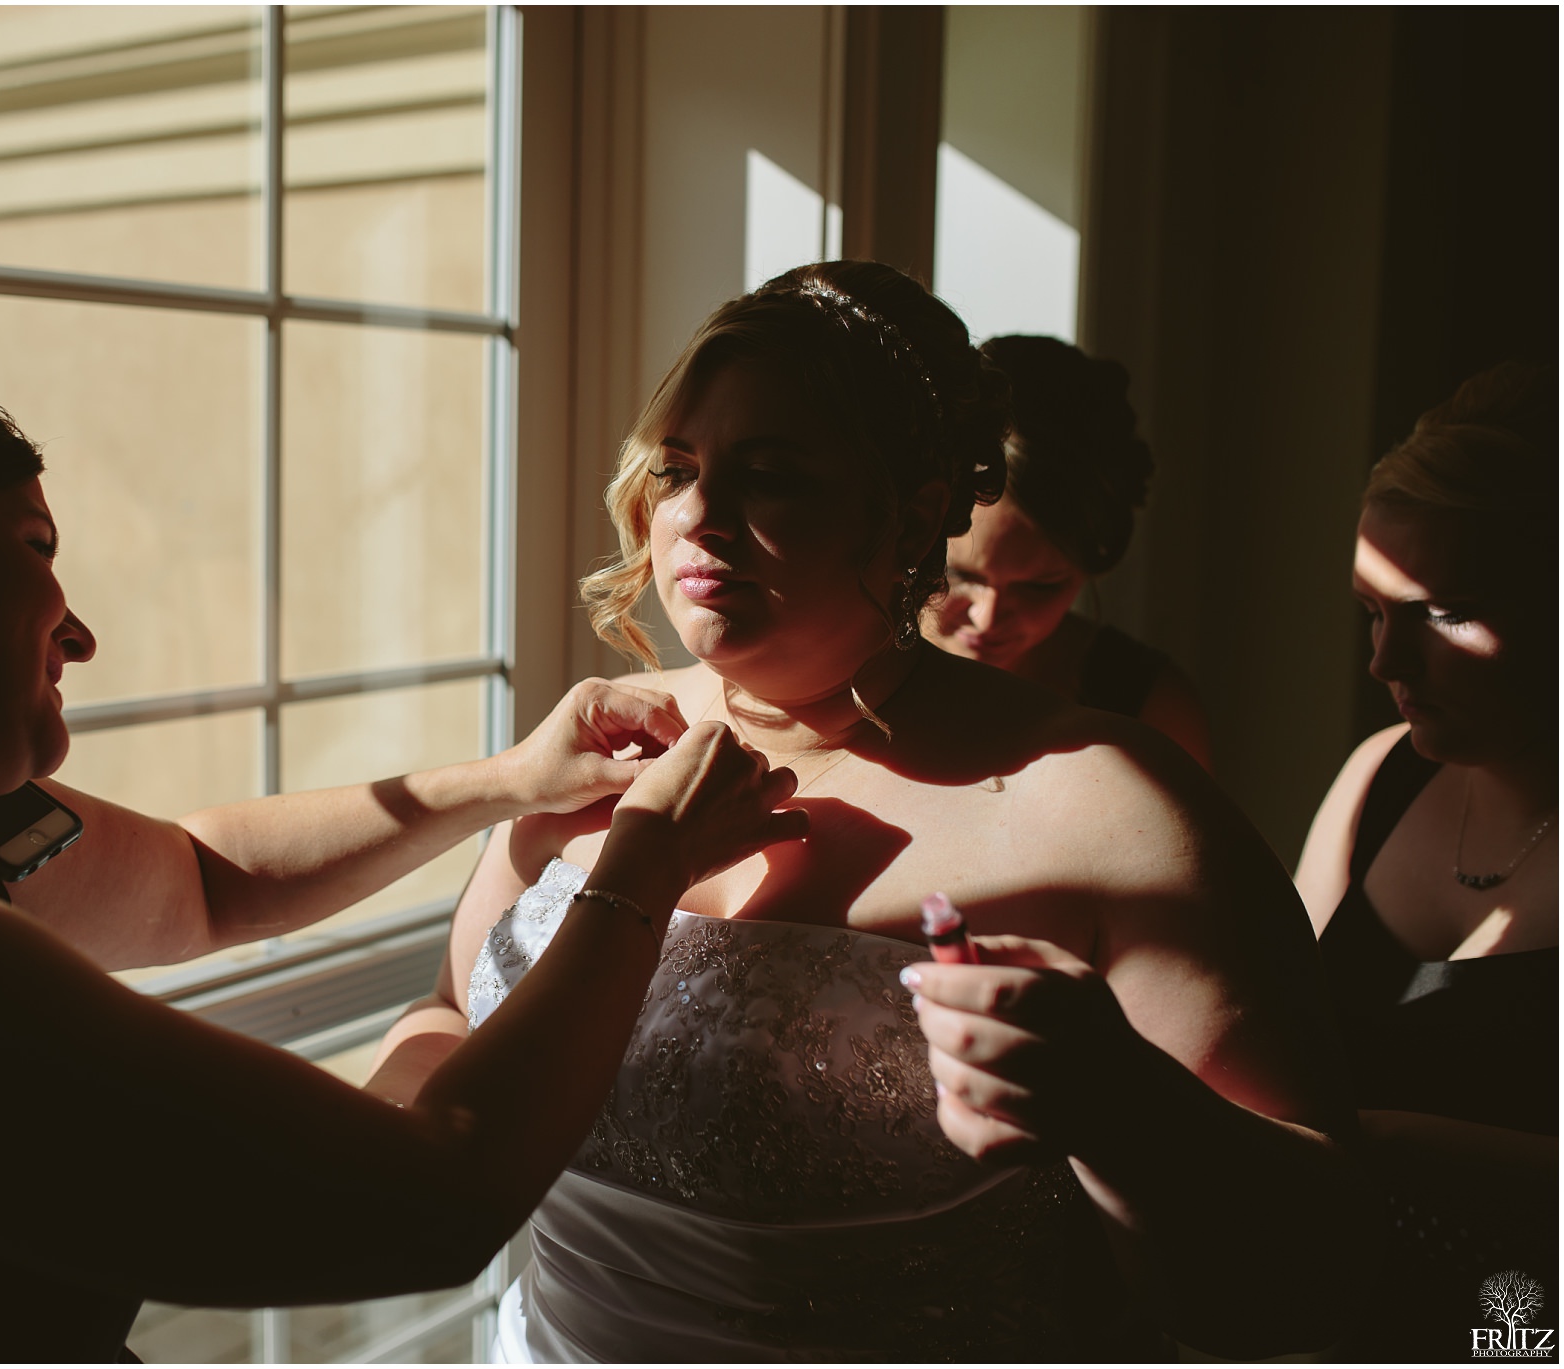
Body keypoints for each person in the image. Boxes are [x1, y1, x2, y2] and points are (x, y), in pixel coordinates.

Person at [0, 331, 808, 1362]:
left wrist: (507, 781)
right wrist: (640, 864)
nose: (76, 633)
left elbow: (201, 879)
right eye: (34, 553)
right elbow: (433, 1200)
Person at [369, 261, 1373, 1360]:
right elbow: (449, 1009)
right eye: (677, 467)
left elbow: (1318, 1247)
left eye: (774, 476)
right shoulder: (597, 741)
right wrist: (394, 1160)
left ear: (910, 515)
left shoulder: (1105, 810)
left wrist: (1124, 1109)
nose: (698, 517)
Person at [1295, 362, 1557, 1361]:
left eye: (1441, 615)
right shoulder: (1375, 779)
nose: (1383, 665)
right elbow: (1271, 1026)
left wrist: (1382, 1141)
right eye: (1371, 611)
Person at [925, 333, 1210, 765]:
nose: (988, 618)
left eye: (1040, 586)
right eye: (957, 574)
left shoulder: (1152, 713)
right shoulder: (833, 674)